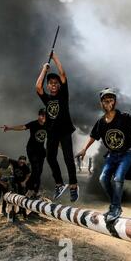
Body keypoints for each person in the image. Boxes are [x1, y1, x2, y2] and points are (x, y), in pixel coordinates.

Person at [76, 88, 131, 222]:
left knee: (118, 178)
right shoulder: (101, 122)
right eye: (105, 101)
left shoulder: (123, 117)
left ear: (115, 102)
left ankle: (116, 208)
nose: (108, 103)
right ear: (101, 104)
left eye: (111, 100)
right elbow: (93, 136)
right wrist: (84, 149)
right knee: (103, 179)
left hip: (127, 153)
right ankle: (114, 205)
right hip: (112, 155)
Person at [36, 52, 79, 202]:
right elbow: (38, 87)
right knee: (50, 157)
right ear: (48, 86)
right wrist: (44, 69)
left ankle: (73, 186)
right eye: (51, 83)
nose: (53, 85)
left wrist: (54, 58)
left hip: (65, 131)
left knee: (68, 159)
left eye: (56, 83)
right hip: (52, 132)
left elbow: (63, 74)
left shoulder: (63, 95)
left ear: (59, 85)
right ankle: (59, 184)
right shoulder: (47, 99)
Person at [1, 108, 47, 198]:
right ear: (39, 116)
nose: (44, 118)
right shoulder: (33, 124)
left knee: (39, 172)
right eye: (42, 115)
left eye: (45, 116)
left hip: (41, 151)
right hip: (32, 150)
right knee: (36, 169)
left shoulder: (49, 125)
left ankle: (35, 191)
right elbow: (22, 127)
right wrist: (9, 128)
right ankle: (30, 189)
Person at [0, 154, 31, 219]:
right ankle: (12, 212)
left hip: (21, 183)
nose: (21, 163)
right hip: (14, 183)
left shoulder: (26, 167)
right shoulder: (14, 162)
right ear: (18, 161)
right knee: (12, 197)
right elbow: (6, 157)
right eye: (20, 162)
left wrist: (24, 182)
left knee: (22, 197)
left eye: (23, 162)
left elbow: (28, 175)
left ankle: (24, 214)